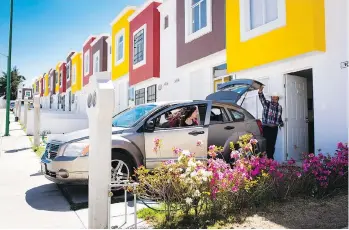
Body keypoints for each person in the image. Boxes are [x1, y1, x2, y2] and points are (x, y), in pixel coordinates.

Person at [258, 86, 284, 160]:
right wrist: (260, 91)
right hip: (266, 128)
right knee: (266, 144)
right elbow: (262, 98)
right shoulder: (267, 104)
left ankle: (270, 159)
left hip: (274, 128)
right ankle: (264, 160)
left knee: (272, 144)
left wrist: (281, 123)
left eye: (276, 98)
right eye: (273, 97)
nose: (274, 99)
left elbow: (279, 117)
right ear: (271, 98)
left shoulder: (279, 107)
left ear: (278, 99)